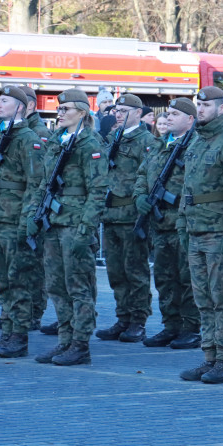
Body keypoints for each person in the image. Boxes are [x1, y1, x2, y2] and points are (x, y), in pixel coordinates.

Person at [27, 89, 107, 365]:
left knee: (79, 287)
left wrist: (86, 230)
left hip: (75, 225)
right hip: (54, 223)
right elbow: (43, 183)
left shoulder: (90, 144)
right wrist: (33, 214)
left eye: (66, 109)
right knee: (56, 286)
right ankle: (65, 340)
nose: (59, 112)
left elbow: (97, 192)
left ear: (82, 113)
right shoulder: (57, 142)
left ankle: (80, 343)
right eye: (59, 109)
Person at [176, 87, 223, 383]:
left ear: (222, 109)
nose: (200, 109)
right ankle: (209, 356)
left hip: (219, 231)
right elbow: (187, 189)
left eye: (206, 105)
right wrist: (182, 224)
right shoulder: (195, 143)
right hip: (196, 231)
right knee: (203, 300)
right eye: (198, 104)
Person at [0, 86, 42, 359]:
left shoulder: (28, 138)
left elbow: (35, 182)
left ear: (21, 107)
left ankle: (19, 335)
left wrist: (28, 219)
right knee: (3, 280)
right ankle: (7, 330)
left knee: (19, 280)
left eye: (5, 101)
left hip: (15, 219)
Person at [135, 98, 201, 349]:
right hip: (160, 223)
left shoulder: (195, 144)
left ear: (190, 119)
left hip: (182, 223)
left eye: (175, 114)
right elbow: (142, 174)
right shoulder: (159, 145)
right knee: (164, 278)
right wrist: (140, 196)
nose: (169, 117)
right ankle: (171, 325)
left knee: (187, 278)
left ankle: (191, 327)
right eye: (168, 114)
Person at [96, 94, 162, 344]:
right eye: (117, 110)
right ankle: (122, 317)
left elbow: (148, 177)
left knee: (135, 271)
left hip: (131, 216)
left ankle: (138, 320)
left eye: (124, 110)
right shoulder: (113, 138)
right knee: (116, 272)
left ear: (137, 113)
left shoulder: (146, 141)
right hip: (111, 214)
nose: (118, 114)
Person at [19, 86, 53, 332]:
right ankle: (22, 310)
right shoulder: (15, 131)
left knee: (33, 264)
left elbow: (38, 177)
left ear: (29, 106)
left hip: (30, 206)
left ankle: (34, 311)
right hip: (13, 207)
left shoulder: (38, 132)